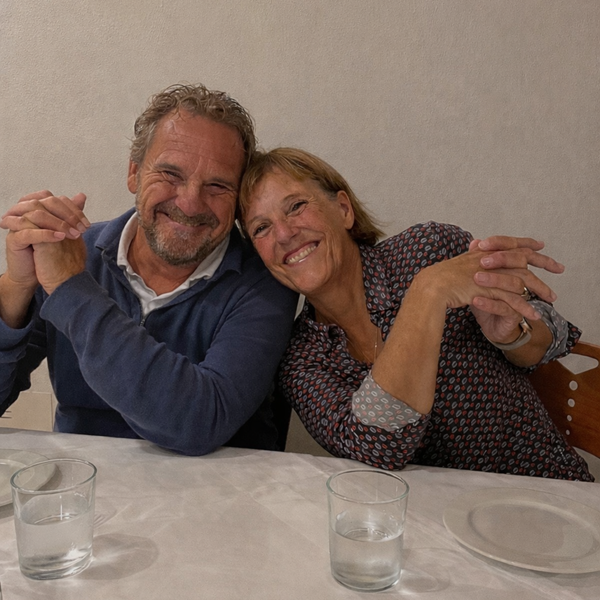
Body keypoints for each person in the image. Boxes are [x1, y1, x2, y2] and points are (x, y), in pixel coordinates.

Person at [239, 147, 592, 480]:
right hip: (429, 521)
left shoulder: (429, 249)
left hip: (548, 493)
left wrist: (513, 337)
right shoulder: (300, 360)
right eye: (261, 228)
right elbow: (379, 449)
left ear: (344, 209)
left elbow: (555, 338)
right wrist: (427, 293)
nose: (283, 234)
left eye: (296, 206)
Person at [0, 84, 298, 455]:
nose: (190, 203)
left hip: (219, 486)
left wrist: (71, 289)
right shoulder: (73, 252)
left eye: (218, 185)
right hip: (83, 478)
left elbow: (200, 422)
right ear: (134, 173)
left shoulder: (265, 280)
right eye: (171, 174)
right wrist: (16, 286)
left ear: (239, 200)